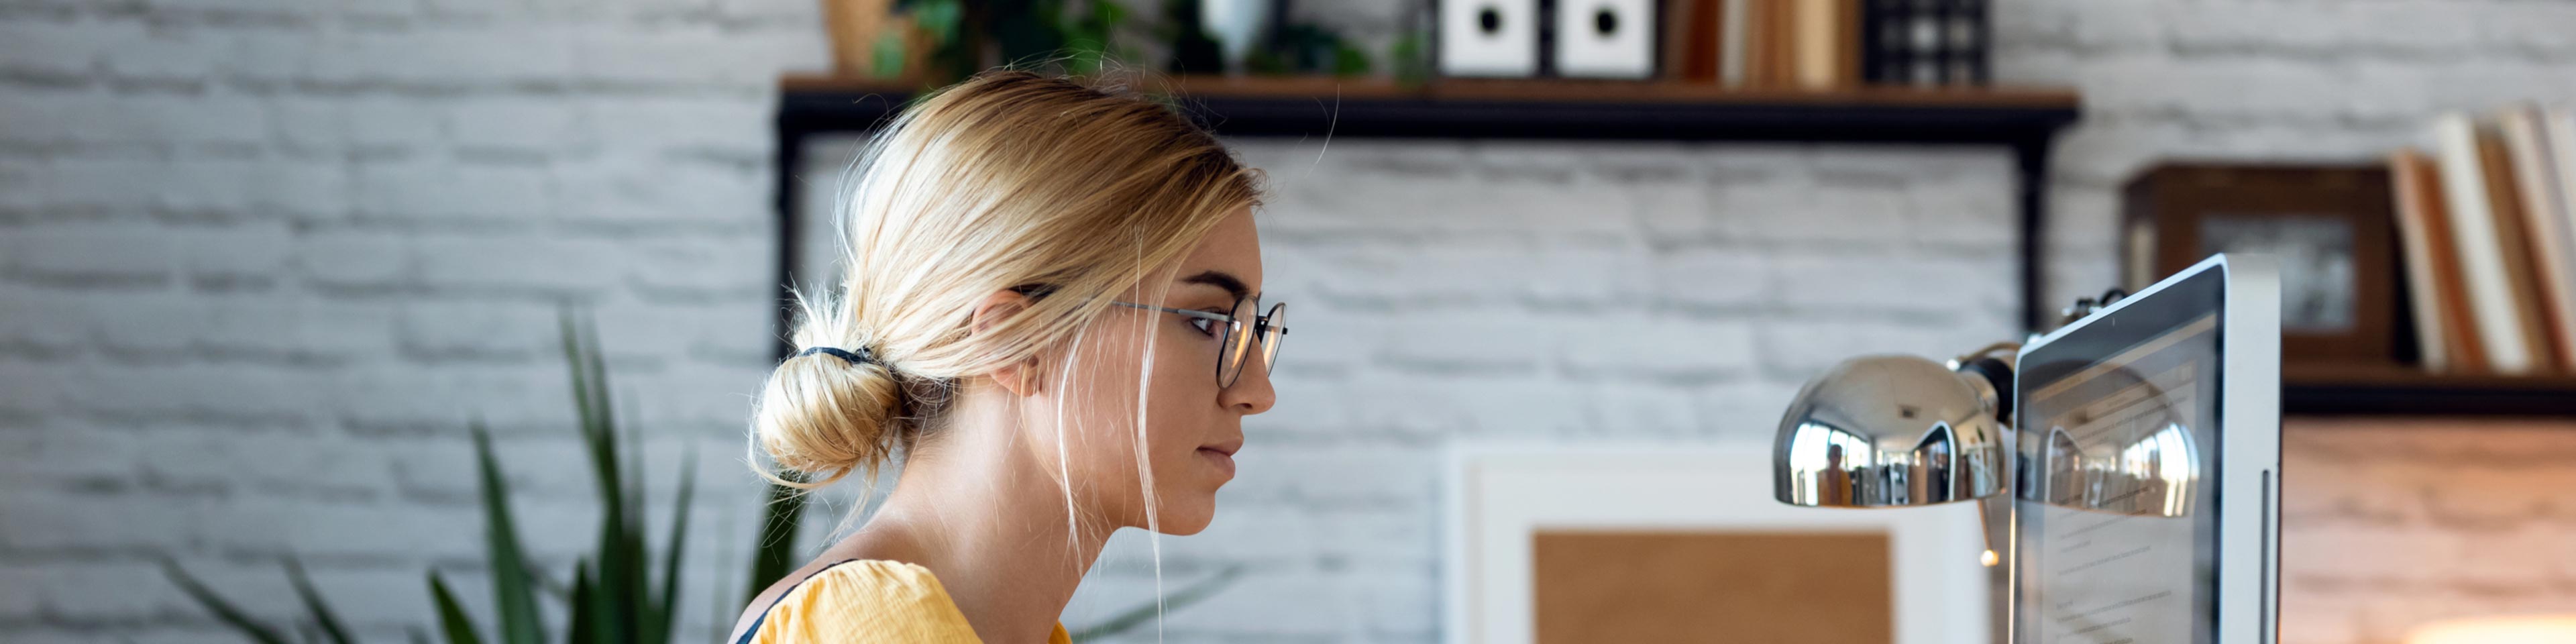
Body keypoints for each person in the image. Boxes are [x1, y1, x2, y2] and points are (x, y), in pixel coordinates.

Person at [727, 70, 1287, 644]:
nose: (1258, 391)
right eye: (1207, 321)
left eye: (1253, 329)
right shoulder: (872, 631)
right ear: (1014, 341)